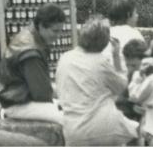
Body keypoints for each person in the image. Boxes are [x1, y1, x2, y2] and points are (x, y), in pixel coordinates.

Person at [55, 16, 139, 146]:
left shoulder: (64, 58)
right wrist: (116, 55)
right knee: (137, 131)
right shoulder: (100, 62)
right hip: (103, 126)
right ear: (103, 43)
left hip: (73, 129)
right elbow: (122, 86)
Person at [0, 3, 66, 126]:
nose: (58, 36)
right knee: (70, 121)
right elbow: (41, 94)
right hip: (20, 104)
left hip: (16, 98)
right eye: (55, 31)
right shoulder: (31, 52)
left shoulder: (28, 34)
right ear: (42, 26)